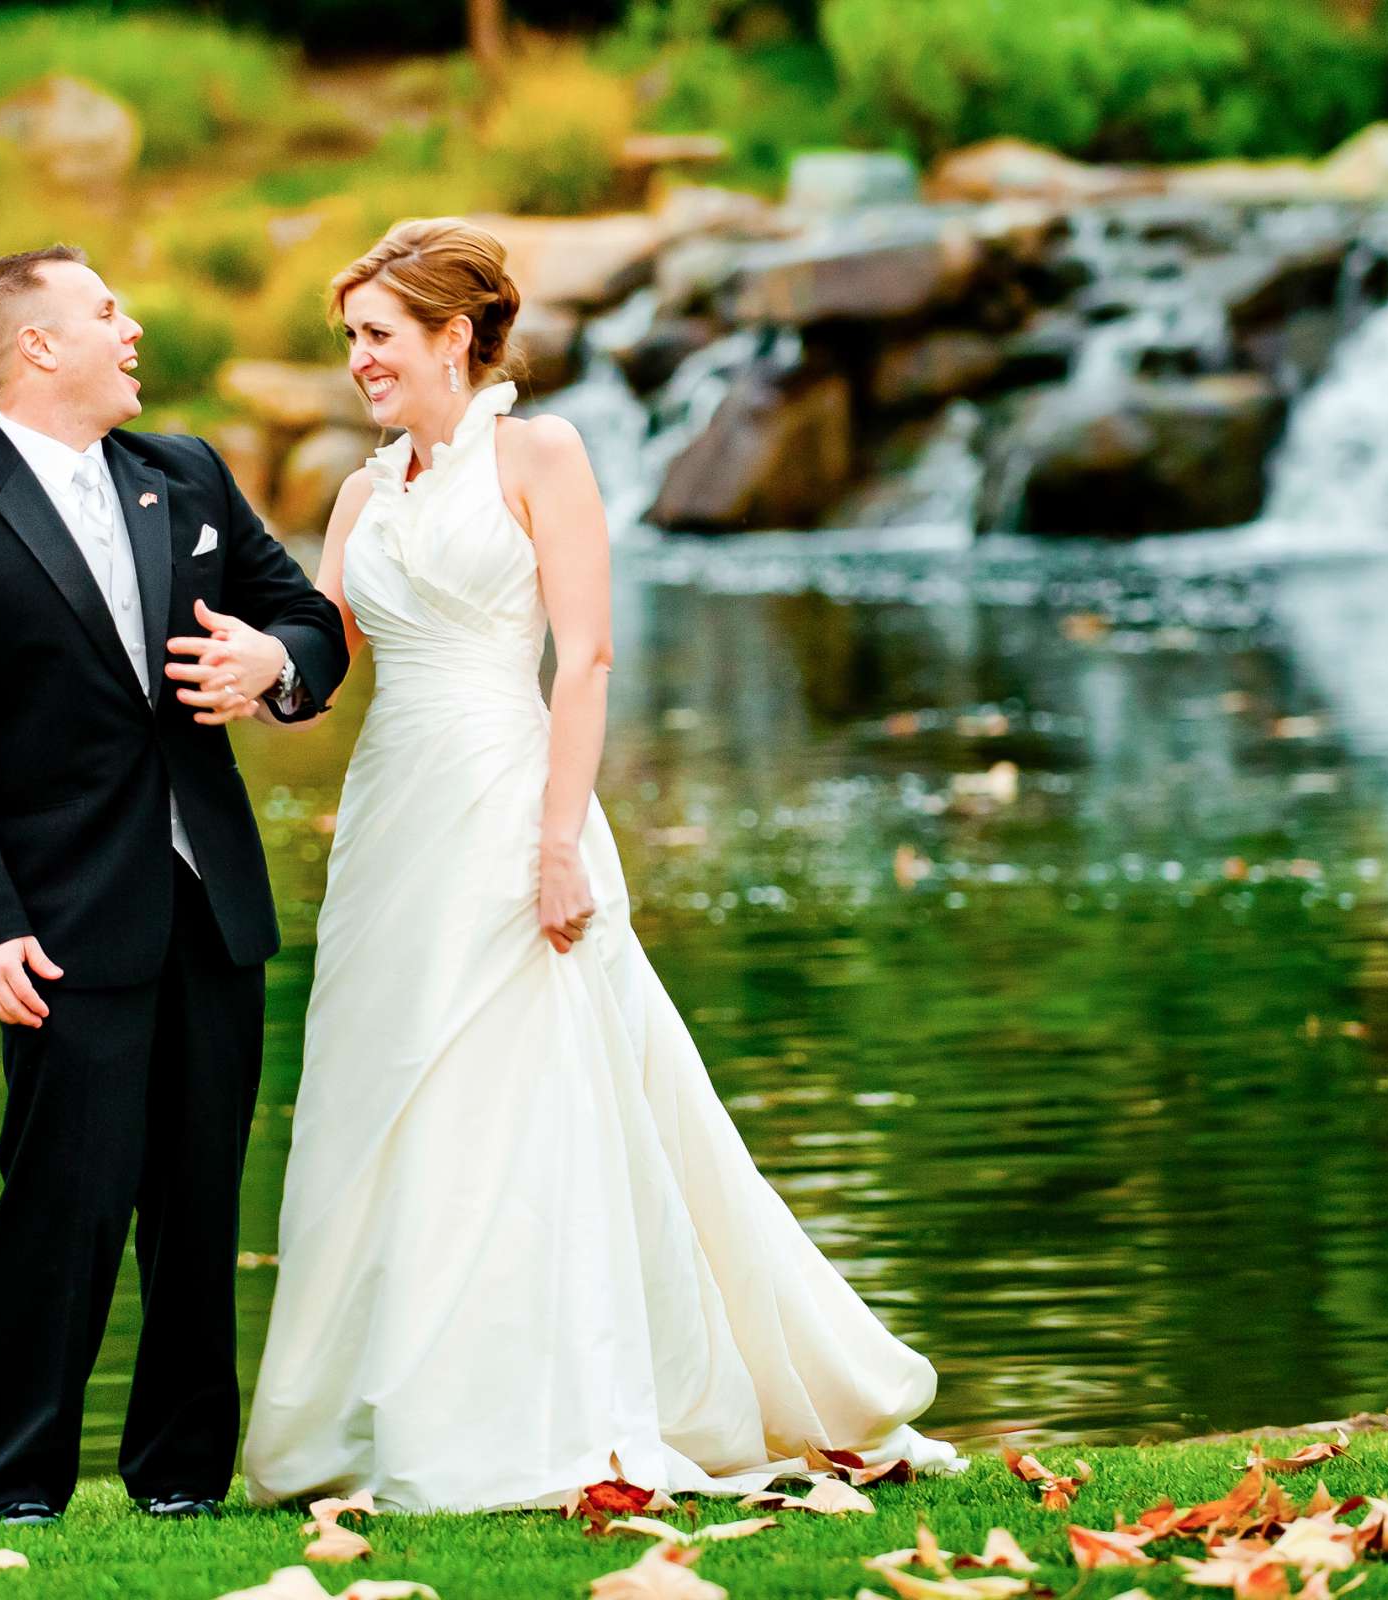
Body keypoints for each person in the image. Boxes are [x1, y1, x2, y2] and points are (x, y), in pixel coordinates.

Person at [240, 218, 964, 1512]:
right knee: (382, 1099)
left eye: (377, 337)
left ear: (455, 336)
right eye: (350, 339)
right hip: (393, 823)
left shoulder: (543, 453)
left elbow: (585, 662)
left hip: (515, 802)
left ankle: (540, 1412)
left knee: (522, 1105)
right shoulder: (363, 492)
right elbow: (326, 660)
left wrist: (560, 841)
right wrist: (261, 674)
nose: (357, 362)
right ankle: (371, 1416)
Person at [0, 245, 347, 1526]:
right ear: (37, 348)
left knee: (198, 1212)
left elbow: (311, 622)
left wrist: (270, 666)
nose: (132, 326)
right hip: (60, 927)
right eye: (106, 310)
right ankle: (16, 1486)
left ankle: (183, 1478)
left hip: (211, 905)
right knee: (60, 1208)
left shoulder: (184, 474)